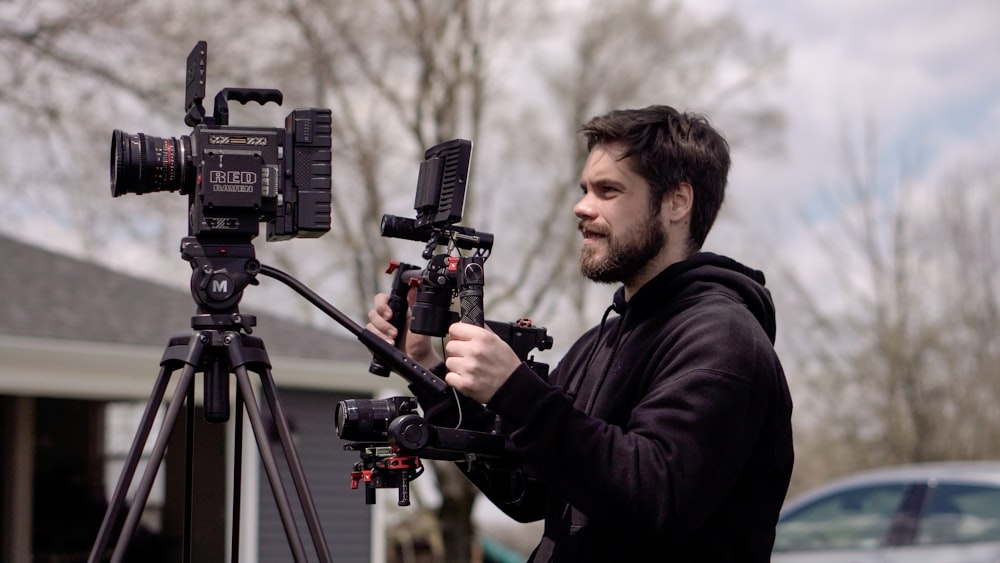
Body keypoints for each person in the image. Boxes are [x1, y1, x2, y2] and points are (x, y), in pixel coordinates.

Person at [367, 105, 794, 562]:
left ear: (677, 202)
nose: (582, 207)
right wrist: (424, 364)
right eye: (585, 189)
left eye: (608, 191)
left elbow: (655, 500)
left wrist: (517, 391)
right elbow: (526, 490)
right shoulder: (600, 342)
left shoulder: (723, 341)